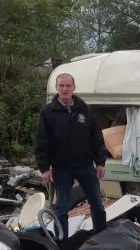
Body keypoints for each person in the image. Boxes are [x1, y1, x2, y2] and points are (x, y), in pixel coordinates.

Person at [35, 73, 108, 239]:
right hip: (61, 167)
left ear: (74, 88)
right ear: (57, 88)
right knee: (61, 208)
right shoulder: (48, 113)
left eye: (68, 86)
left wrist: (101, 162)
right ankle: (62, 243)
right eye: (61, 86)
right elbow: (42, 141)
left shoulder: (86, 110)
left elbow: (97, 138)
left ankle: (102, 238)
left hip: (85, 165)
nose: (64, 89)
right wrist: (44, 168)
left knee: (97, 204)